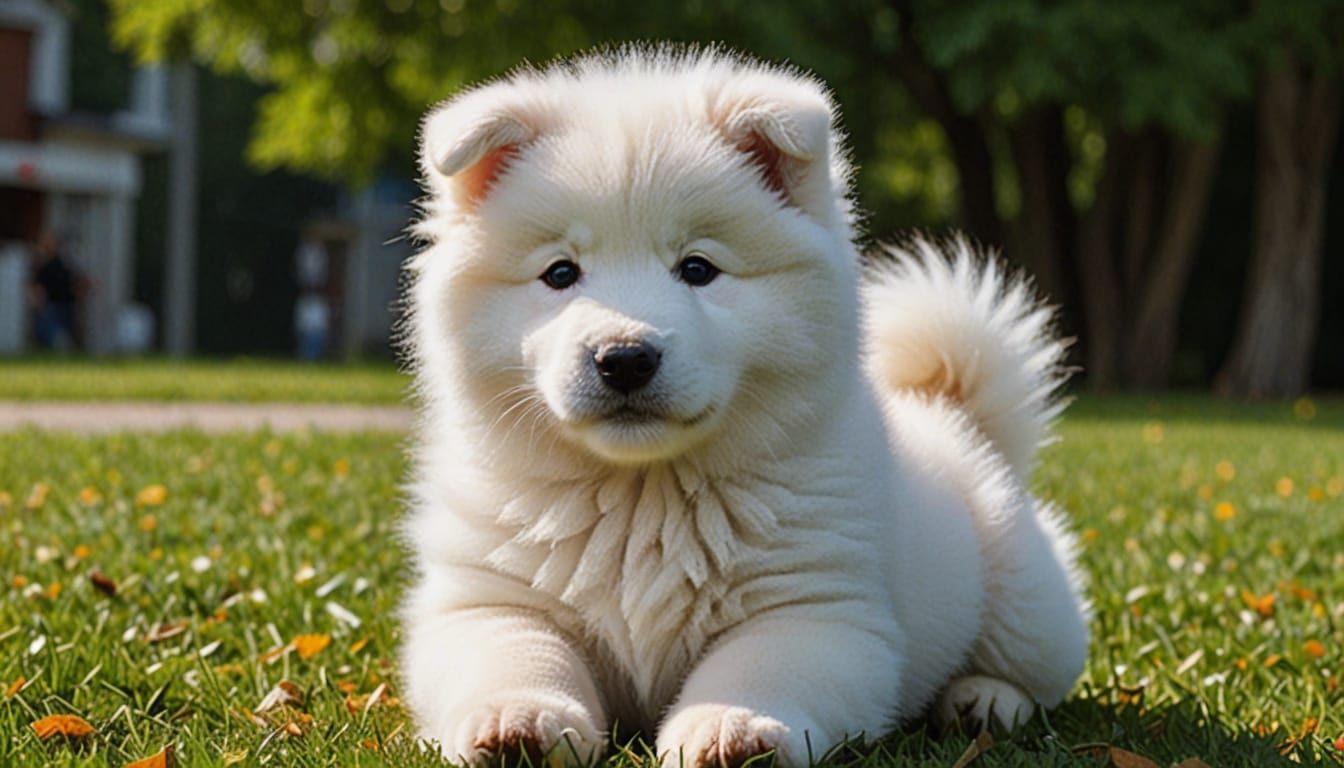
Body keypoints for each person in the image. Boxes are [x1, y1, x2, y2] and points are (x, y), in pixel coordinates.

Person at [28, 231, 83, 350]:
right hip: (51, 306)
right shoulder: (41, 265)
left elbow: (74, 282)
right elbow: (37, 288)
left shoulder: (63, 264)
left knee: (65, 332)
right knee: (49, 333)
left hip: (66, 305)